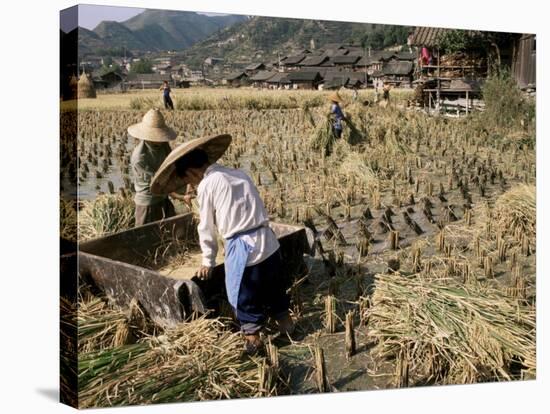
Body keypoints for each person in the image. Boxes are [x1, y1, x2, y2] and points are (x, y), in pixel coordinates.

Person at [150, 134, 294, 354]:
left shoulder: (208, 184)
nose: (191, 184)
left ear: (192, 172)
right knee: (274, 290)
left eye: (189, 181)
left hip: (245, 249)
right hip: (269, 243)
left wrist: (208, 260)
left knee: (244, 298)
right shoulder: (238, 174)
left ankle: (254, 344)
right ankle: (288, 329)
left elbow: (205, 225)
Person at [128, 108, 182, 226]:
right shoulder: (139, 158)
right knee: (145, 236)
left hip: (163, 197)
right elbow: (156, 182)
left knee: (170, 231)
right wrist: (178, 195)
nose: (161, 140)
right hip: (148, 201)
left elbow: (171, 163)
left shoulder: (163, 145)